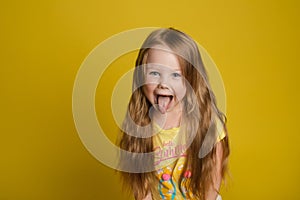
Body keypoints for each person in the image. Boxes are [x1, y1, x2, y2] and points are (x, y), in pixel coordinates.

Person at [118, 28, 230, 200]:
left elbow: (211, 188)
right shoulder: (139, 127)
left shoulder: (208, 125)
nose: (164, 84)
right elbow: (143, 191)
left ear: (191, 81)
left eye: (175, 75)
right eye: (155, 73)